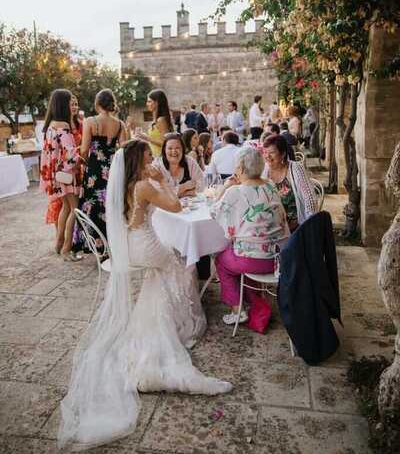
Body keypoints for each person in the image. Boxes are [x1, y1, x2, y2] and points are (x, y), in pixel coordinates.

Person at [58, 140, 232, 450]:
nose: (155, 159)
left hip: (132, 241)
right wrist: (163, 179)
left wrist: (157, 180)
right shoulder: (146, 185)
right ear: (139, 160)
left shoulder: (130, 183)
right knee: (182, 265)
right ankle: (175, 324)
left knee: (170, 268)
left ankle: (162, 318)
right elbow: (176, 205)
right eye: (150, 155)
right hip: (145, 246)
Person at [211, 148, 289, 325]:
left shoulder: (236, 192)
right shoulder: (269, 185)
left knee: (221, 260)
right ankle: (252, 295)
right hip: (279, 258)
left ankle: (237, 310)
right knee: (235, 249)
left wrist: (225, 187)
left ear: (240, 168)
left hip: (255, 261)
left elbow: (214, 212)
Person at [72, 89, 127, 258]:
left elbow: (85, 149)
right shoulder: (120, 124)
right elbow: (125, 148)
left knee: (93, 204)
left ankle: (97, 244)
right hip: (113, 168)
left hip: (95, 168)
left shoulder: (89, 121)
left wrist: (83, 159)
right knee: (112, 203)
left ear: (97, 104)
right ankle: (112, 244)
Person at [40, 89, 81, 259]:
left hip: (55, 175)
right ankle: (66, 247)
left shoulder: (50, 126)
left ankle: (58, 242)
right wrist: (81, 156)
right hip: (67, 174)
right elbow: (70, 154)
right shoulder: (63, 127)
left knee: (65, 207)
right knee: (75, 209)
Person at [263, 134, 317, 233]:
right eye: (265, 152)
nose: (267, 156)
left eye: (272, 152)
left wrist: (307, 226)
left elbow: (309, 199)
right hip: (269, 226)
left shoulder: (295, 168)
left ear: (283, 154)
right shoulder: (263, 170)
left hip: (294, 227)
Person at [140, 89, 173, 157]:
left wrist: (146, 137)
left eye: (149, 101)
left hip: (160, 157)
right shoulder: (156, 120)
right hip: (154, 156)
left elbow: (164, 143)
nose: (147, 104)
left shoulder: (161, 120)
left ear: (157, 103)